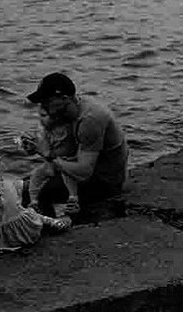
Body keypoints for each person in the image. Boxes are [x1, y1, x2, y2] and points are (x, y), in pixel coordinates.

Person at [24, 73, 128, 219]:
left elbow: (84, 171)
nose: (42, 106)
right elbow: (65, 150)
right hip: (85, 170)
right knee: (26, 187)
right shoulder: (67, 114)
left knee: (41, 192)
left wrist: (47, 154)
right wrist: (34, 146)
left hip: (105, 181)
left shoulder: (90, 120)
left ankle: (50, 230)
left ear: (64, 99)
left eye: (46, 101)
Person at [0, 146, 71, 251]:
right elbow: (27, 186)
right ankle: (53, 221)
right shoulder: (10, 182)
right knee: (26, 211)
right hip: (25, 231)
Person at [17, 113, 80, 214]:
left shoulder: (62, 139)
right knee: (36, 178)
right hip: (55, 167)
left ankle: (72, 202)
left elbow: (63, 161)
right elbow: (41, 165)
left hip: (70, 169)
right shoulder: (46, 135)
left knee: (52, 187)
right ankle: (35, 203)